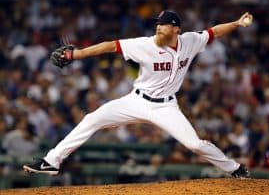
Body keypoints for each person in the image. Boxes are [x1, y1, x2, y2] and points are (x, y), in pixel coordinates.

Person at [23, 10, 252, 178]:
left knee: (194, 144)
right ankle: (51, 161)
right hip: (136, 100)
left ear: (175, 29)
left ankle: (235, 169)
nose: (158, 28)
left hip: (166, 107)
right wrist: (77, 55)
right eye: (157, 24)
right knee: (91, 119)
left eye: (163, 25)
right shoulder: (144, 44)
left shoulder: (190, 41)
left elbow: (214, 32)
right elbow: (110, 45)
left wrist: (237, 23)